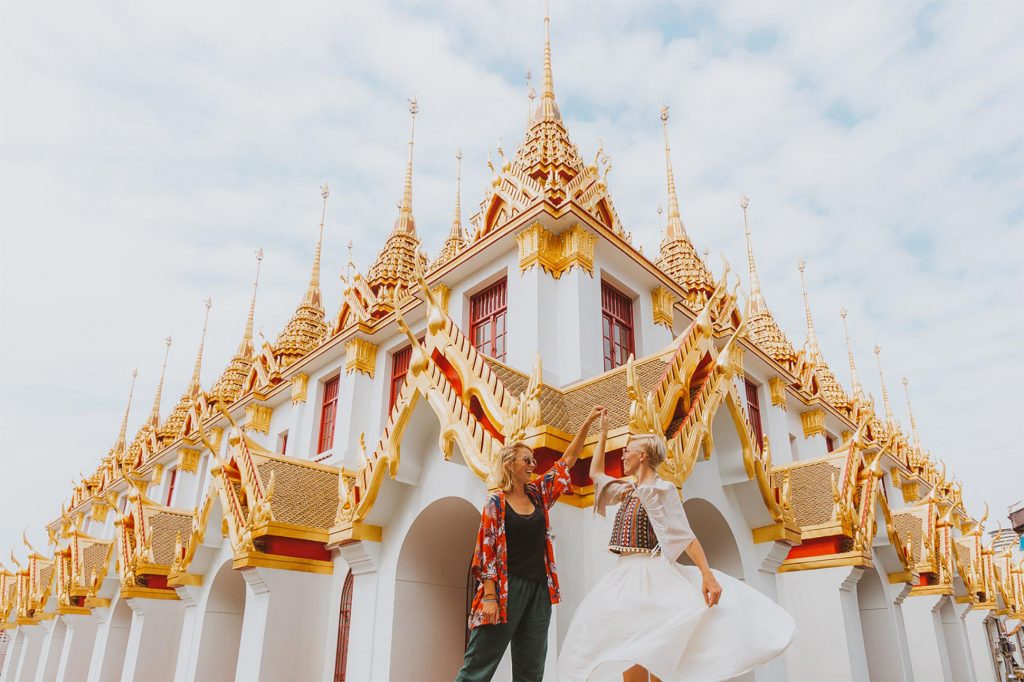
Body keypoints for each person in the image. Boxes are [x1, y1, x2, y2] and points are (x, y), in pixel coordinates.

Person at [558, 411, 795, 682]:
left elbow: (685, 536)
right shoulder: (627, 491)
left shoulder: (663, 490)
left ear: (642, 456)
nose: (622, 456)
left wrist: (707, 575)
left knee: (657, 650)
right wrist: (600, 433)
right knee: (628, 646)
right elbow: (596, 474)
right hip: (624, 576)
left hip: (652, 575)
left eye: (627, 451)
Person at [456, 406, 606, 682]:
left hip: (539, 590)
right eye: (526, 460)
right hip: (505, 589)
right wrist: (489, 596)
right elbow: (486, 551)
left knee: (531, 670)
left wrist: (587, 422)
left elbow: (567, 461)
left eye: (533, 460)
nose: (532, 465)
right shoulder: (496, 503)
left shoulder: (538, 494)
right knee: (478, 665)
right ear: (510, 464)